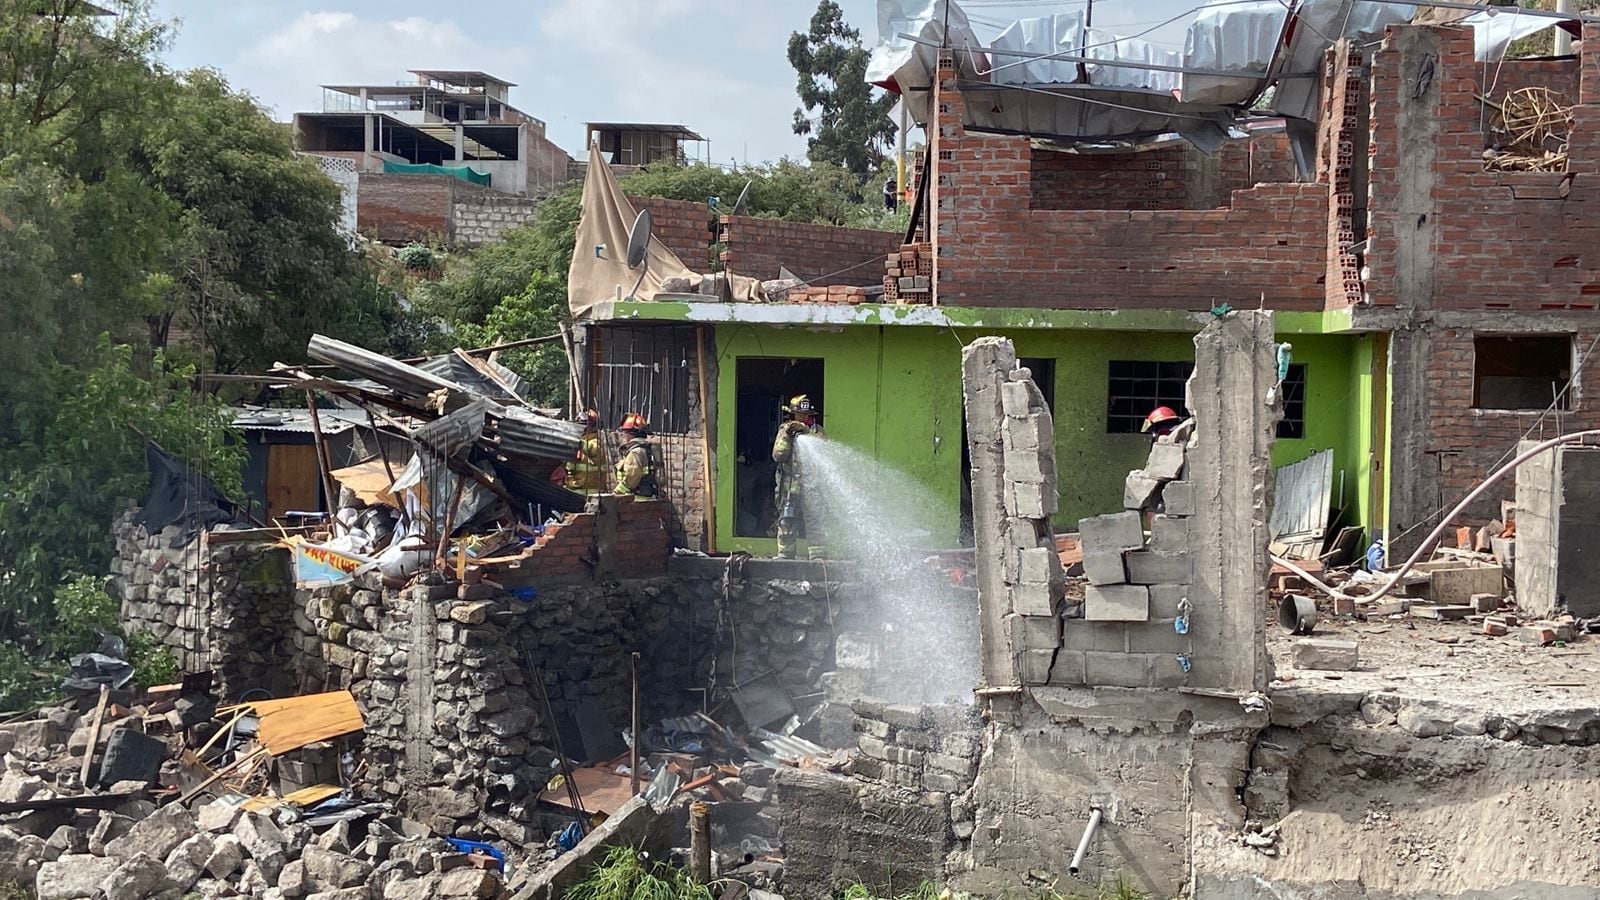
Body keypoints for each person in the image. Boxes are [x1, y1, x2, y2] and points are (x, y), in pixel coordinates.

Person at [771, 394, 822, 559]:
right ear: (793, 414)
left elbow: (822, 449)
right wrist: (788, 435)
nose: (803, 417)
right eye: (800, 414)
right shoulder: (785, 430)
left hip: (811, 485)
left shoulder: (817, 431)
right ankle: (786, 555)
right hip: (789, 485)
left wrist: (806, 432)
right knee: (787, 519)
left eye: (806, 414)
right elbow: (778, 455)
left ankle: (818, 555)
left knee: (814, 520)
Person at [612, 413, 659, 497]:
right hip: (649, 496)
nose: (623, 436)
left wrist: (617, 491)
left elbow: (632, 477)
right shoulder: (647, 448)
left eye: (625, 432)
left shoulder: (635, 452)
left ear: (631, 434)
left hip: (636, 498)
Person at [564, 409, 604, 493]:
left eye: (585, 426)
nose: (582, 429)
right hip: (574, 491)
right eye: (579, 426)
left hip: (590, 493)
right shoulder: (579, 443)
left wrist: (578, 444)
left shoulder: (596, 442)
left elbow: (596, 451)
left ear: (594, 427)